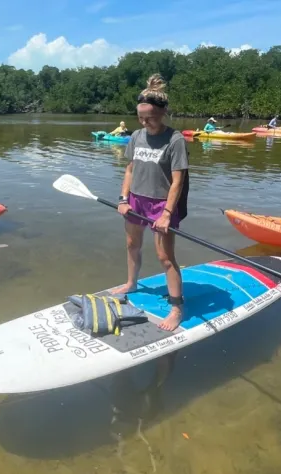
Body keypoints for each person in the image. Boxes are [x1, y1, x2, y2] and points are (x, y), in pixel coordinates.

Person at [111, 73, 189, 332]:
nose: (145, 122)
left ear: (163, 113)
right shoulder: (136, 136)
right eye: (141, 117)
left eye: (151, 117)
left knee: (165, 257)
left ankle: (177, 307)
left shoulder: (175, 140)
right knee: (132, 244)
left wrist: (167, 214)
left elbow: (177, 181)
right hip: (136, 200)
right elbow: (130, 169)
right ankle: (131, 283)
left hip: (161, 205)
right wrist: (123, 198)